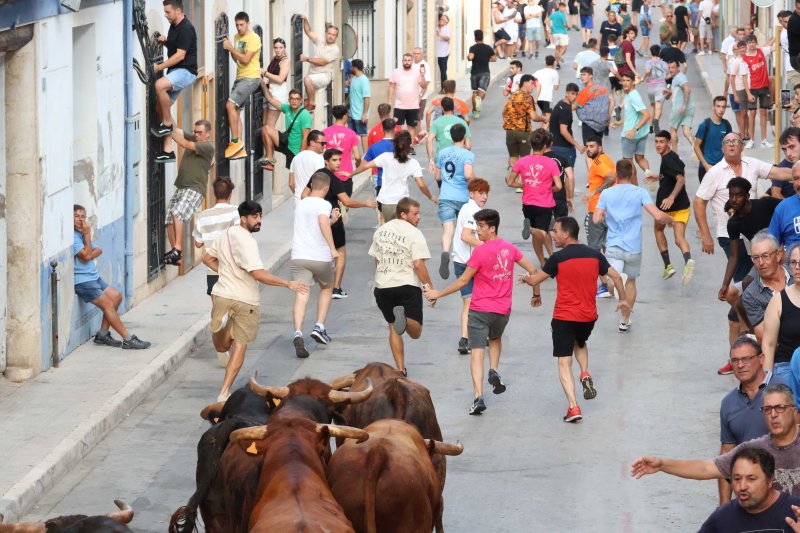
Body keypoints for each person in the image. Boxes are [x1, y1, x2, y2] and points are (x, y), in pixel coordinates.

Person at [425, 208, 538, 415]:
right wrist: (535, 293)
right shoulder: (510, 248)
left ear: (492, 228)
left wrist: (437, 294)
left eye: (481, 226)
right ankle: (494, 370)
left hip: (479, 309)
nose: (477, 230)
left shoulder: (480, 252)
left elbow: (463, 281)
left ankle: (478, 397)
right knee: (495, 339)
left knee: (476, 353)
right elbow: (533, 271)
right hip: (502, 310)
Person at [520, 216, 628, 422]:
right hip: (588, 316)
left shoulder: (558, 259)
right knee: (580, 342)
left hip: (564, 316)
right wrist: (622, 300)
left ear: (566, 234)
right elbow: (615, 276)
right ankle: (585, 373)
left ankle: (573, 407)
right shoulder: (595, 255)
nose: (553, 235)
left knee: (564, 361)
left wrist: (526, 280)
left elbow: (535, 279)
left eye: (556, 231)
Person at [204, 200, 309, 401]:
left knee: (221, 347)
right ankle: (224, 392)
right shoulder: (248, 242)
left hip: (222, 295)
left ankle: (222, 328)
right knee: (240, 346)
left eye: (260, 216)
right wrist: (288, 283)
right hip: (246, 300)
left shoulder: (225, 235)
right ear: (243, 219)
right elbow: (259, 274)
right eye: (254, 217)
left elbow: (207, 259)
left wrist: (226, 273)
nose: (259, 220)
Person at [631, 383, 800, 499]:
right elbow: (707, 468)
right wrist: (661, 464)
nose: (773, 414)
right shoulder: (755, 449)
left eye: (780, 408)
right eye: (767, 409)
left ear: (794, 411)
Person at [594, 159, 674, 331]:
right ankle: (625, 319)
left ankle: (613, 283)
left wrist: (606, 214)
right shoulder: (640, 192)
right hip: (633, 247)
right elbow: (658, 216)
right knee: (631, 281)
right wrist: (670, 220)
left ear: (616, 174)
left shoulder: (607, 194)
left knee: (611, 278)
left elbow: (596, 218)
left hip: (614, 245)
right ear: (631, 174)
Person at [368, 198, 435, 376]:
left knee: (392, 327)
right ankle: (404, 320)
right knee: (416, 332)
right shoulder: (414, 233)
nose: (419, 217)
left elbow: (376, 258)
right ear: (403, 214)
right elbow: (418, 264)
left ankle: (399, 369)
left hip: (382, 286)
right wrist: (430, 288)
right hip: (406, 285)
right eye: (415, 214)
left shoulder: (381, 231)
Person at [73, 205, 151, 350]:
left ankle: (102, 335)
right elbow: (85, 257)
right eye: (76, 216)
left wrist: (89, 251)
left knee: (116, 296)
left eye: (83, 216)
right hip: (83, 281)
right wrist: (87, 236)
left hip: (93, 277)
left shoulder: (81, 234)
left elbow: (97, 250)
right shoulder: (74, 236)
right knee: (108, 304)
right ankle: (128, 339)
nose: (80, 220)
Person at [303, 149, 378, 300]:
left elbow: (304, 195)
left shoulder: (318, 175)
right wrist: (366, 203)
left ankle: (314, 282)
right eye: (334, 160)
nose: (338, 163)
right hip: (333, 219)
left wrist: (317, 204)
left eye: (339, 160)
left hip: (316, 219)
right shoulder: (334, 180)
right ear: (326, 161)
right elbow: (347, 201)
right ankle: (336, 288)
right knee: (340, 252)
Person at [290, 172, 341, 359]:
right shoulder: (324, 204)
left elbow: (316, 223)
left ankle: (297, 332)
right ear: (326, 188)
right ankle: (319, 326)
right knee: (327, 288)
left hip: (298, 256)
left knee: (302, 294)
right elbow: (321, 222)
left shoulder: (301, 203)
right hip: (319, 256)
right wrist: (332, 248)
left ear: (312, 185)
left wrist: (332, 220)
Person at [717, 336, 772, 505]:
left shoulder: (783, 390)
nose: (740, 365)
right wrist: (724, 508)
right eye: (735, 360)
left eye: (746, 359)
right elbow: (726, 455)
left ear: (761, 358)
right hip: (748, 498)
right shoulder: (728, 403)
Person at [701, 447, 800, 531]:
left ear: (769, 480)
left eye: (751, 479)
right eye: (737, 479)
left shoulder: (795, 511)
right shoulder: (722, 516)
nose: (742, 486)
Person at [159, 119, 213, 266]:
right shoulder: (194, 138)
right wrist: (167, 118)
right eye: (195, 132)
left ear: (208, 134)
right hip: (182, 187)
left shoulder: (207, 146)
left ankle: (177, 248)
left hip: (194, 189)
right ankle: (177, 256)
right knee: (169, 220)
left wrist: (167, 131)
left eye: (200, 133)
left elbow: (184, 144)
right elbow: (178, 130)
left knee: (177, 213)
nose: (196, 135)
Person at [351, 130, 435, 223]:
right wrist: (430, 197)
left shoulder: (385, 157)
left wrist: (350, 174)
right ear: (409, 145)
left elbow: (365, 166)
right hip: (402, 203)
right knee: (401, 232)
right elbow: (421, 185)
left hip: (386, 202)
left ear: (394, 143)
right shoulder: (413, 163)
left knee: (388, 231)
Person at [507, 129, 563, 266]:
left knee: (539, 236)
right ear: (545, 146)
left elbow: (510, 182)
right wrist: (551, 188)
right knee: (542, 233)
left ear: (532, 145)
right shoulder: (550, 163)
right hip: (544, 203)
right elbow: (559, 186)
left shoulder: (522, 161)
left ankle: (546, 260)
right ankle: (531, 230)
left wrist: (524, 185)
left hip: (528, 204)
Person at [151, 0, 198, 164]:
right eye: (164, 12)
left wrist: (159, 67)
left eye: (168, 12)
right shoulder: (174, 26)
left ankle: (166, 124)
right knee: (159, 108)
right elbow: (174, 46)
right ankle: (168, 150)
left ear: (178, 11)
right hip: (176, 72)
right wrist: (166, 42)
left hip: (186, 71)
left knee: (159, 85)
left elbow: (179, 56)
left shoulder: (186, 28)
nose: (165, 15)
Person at [719, 178, 780, 303]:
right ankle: (757, 320)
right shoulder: (733, 223)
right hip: (764, 257)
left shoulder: (764, 204)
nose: (734, 199)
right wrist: (725, 284)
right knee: (747, 283)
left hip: (781, 250)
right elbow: (733, 256)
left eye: (739, 195)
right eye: (731, 195)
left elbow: (788, 206)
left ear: (747, 196)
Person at [450, 179, 491, 355]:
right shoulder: (472, 211)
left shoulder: (471, 209)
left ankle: (470, 337)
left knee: (473, 300)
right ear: (471, 194)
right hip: (468, 263)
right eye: (480, 193)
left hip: (463, 261)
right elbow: (466, 236)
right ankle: (467, 338)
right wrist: (485, 247)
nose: (485, 196)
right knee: (473, 301)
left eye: (486, 193)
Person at [648, 130, 695, 283]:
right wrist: (659, 177)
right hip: (683, 207)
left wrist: (671, 197)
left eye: (661, 142)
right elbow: (677, 172)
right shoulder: (673, 157)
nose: (658, 145)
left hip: (667, 207)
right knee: (679, 238)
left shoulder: (668, 160)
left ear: (668, 143)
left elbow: (681, 179)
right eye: (656, 141)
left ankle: (668, 265)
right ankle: (688, 261)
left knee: (658, 229)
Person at [435, 124, 475, 279]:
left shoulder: (443, 153)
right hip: (462, 197)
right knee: (464, 230)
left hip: (446, 196)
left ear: (451, 137)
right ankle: (465, 260)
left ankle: (445, 251)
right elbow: (467, 174)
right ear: (464, 137)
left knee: (448, 230)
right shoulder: (467, 154)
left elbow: (438, 177)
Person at [222, 12, 261, 160]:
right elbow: (235, 57)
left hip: (250, 78)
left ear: (247, 23)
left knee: (230, 105)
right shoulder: (237, 37)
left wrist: (231, 48)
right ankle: (240, 149)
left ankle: (235, 142)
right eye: (237, 25)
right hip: (240, 77)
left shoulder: (254, 38)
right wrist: (231, 48)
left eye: (241, 25)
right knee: (236, 111)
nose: (239, 28)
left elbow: (245, 59)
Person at [193, 177, 240, 300]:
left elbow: (197, 244)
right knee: (234, 309)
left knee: (217, 312)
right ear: (230, 194)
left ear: (214, 194)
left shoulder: (203, 216)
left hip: (213, 269)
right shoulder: (236, 212)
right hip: (232, 269)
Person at [582, 140, 616, 300]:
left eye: (592, 146)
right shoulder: (607, 158)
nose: (588, 149)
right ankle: (614, 280)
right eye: (587, 146)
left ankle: (604, 286)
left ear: (600, 148)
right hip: (610, 210)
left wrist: (593, 191)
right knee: (607, 246)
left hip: (596, 210)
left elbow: (609, 178)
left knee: (594, 249)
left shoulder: (597, 162)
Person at [741, 232, 791, 341]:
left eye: (765, 256)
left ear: (778, 255)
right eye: (756, 258)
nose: (761, 262)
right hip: (782, 350)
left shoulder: (795, 273)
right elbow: (764, 336)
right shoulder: (751, 295)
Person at [762, 244, 800, 374]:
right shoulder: (779, 300)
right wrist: (766, 381)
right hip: (787, 366)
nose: (797, 267)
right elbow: (769, 344)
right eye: (793, 262)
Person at [259, 89, 312, 171]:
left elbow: (306, 137)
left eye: (297, 99)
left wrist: (301, 156)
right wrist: (262, 84)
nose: (294, 101)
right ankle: (270, 159)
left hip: (295, 151)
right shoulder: (287, 108)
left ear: (301, 101)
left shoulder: (305, 114)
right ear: (289, 100)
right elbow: (270, 99)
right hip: (286, 143)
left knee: (294, 179)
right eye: (292, 98)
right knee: (266, 128)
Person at [502, 74, 546, 170]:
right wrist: (543, 118)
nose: (533, 86)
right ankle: (520, 182)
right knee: (524, 158)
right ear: (525, 83)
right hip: (523, 132)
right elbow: (534, 117)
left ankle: (512, 177)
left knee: (513, 156)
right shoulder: (527, 97)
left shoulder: (513, 95)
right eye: (531, 83)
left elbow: (503, 112)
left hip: (509, 132)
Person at [616, 71, 652, 184]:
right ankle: (647, 172)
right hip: (642, 133)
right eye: (624, 80)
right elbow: (633, 115)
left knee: (628, 165)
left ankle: (635, 191)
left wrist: (634, 129)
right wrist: (620, 122)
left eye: (628, 81)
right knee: (640, 158)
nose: (625, 83)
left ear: (633, 83)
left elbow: (646, 115)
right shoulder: (629, 95)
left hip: (630, 136)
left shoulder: (633, 96)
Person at [298, 15, 340, 111]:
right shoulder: (320, 41)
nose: (331, 36)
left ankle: (312, 103)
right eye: (329, 33)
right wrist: (305, 20)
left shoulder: (335, 49)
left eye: (333, 35)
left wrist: (307, 59)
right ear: (326, 33)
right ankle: (309, 110)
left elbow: (322, 62)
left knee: (307, 80)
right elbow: (308, 32)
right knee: (304, 103)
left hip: (324, 76)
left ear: (336, 37)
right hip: (313, 73)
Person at [741, 34, 774, 148]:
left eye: (753, 42)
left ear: (756, 42)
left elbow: (772, 47)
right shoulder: (744, 58)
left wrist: (777, 34)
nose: (752, 44)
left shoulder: (762, 51)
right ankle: (751, 140)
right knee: (752, 113)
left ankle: (764, 140)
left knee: (764, 113)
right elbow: (744, 77)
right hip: (752, 88)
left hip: (764, 87)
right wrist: (748, 93)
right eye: (749, 42)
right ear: (747, 44)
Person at [388, 53, 428, 144]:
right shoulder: (396, 72)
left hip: (413, 106)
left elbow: (424, 86)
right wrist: (389, 101)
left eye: (409, 60)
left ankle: (410, 147)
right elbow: (391, 87)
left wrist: (422, 75)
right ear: (402, 61)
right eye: (405, 60)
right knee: (398, 127)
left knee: (411, 127)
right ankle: (399, 146)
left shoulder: (417, 72)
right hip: (399, 106)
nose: (407, 62)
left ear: (412, 61)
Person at [426, 97, 472, 173]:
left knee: (440, 181)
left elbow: (429, 140)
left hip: (441, 158)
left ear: (442, 108)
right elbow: (468, 146)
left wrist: (431, 159)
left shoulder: (436, 122)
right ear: (453, 108)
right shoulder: (462, 122)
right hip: (458, 158)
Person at [694, 96, 732, 182]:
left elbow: (730, 145)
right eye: (718, 106)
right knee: (706, 195)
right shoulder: (704, 125)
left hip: (721, 168)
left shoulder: (726, 125)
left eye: (723, 107)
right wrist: (706, 165)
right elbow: (696, 147)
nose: (721, 109)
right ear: (713, 107)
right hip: (706, 168)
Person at [549, 83, 584, 169]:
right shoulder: (565, 110)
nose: (575, 96)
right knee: (569, 175)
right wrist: (578, 145)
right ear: (566, 93)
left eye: (576, 94)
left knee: (556, 175)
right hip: (564, 148)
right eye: (572, 93)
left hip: (554, 146)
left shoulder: (561, 103)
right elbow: (563, 131)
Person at [663, 59, 695, 153]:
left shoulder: (680, 77)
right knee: (686, 131)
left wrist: (684, 105)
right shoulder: (676, 78)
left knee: (673, 130)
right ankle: (696, 149)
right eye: (669, 68)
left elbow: (687, 89)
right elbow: (673, 95)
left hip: (679, 109)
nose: (670, 70)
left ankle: (675, 155)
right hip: (689, 108)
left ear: (678, 68)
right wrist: (669, 92)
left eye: (673, 67)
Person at [575, 67, 611, 148]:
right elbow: (612, 100)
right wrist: (608, 117)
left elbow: (573, 107)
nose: (582, 77)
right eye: (581, 75)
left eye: (584, 75)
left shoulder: (585, 91)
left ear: (591, 76)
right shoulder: (602, 89)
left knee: (589, 149)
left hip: (589, 125)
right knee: (597, 148)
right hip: (601, 125)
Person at [324, 105, 362, 183]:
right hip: (345, 174)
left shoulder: (324, 132)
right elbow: (357, 156)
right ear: (345, 116)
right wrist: (358, 164)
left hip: (329, 174)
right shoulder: (351, 133)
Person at [769, 162, 800, 250]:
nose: (798, 184)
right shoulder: (783, 208)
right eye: (795, 179)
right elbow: (772, 246)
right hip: (793, 262)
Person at [468, 30, 497, 119]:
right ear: (482, 37)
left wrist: (468, 57)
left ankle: (475, 111)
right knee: (482, 91)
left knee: (475, 92)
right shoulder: (488, 48)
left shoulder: (472, 48)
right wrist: (487, 59)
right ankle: (479, 100)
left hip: (474, 73)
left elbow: (470, 57)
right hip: (485, 72)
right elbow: (494, 59)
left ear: (475, 38)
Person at [261, 38, 290, 129]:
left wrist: (264, 73)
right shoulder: (274, 59)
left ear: (284, 48)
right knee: (265, 124)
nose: (278, 50)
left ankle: (273, 143)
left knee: (269, 126)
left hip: (278, 93)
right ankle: (266, 143)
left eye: (281, 47)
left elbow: (280, 79)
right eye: (276, 47)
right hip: (269, 91)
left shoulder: (285, 61)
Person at [288, 129, 326, 199]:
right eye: (322, 143)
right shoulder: (319, 159)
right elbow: (321, 182)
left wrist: (298, 195)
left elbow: (291, 183)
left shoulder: (296, 157)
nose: (324, 146)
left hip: (298, 201)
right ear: (312, 143)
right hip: (313, 201)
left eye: (325, 143)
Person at [729, 40, 751, 145]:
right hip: (740, 89)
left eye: (744, 47)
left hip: (747, 89)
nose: (743, 49)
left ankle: (746, 133)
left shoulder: (746, 59)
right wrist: (735, 94)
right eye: (741, 47)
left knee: (746, 113)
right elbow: (732, 78)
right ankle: (742, 135)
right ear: (737, 49)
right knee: (742, 113)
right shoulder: (737, 61)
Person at [347, 59, 371, 152]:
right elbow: (351, 94)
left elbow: (367, 98)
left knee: (363, 134)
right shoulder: (354, 79)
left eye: (351, 66)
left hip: (360, 114)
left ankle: (365, 153)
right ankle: (354, 154)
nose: (350, 68)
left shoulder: (364, 80)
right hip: (352, 113)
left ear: (355, 68)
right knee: (352, 135)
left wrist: (364, 113)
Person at [643, 45, 668, 133]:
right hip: (660, 86)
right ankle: (656, 120)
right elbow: (667, 75)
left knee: (652, 105)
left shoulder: (648, 62)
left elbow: (647, 71)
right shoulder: (664, 63)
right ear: (659, 52)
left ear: (651, 52)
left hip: (650, 87)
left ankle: (650, 126)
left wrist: (644, 78)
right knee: (659, 106)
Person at [412, 47, 434, 135]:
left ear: (421, 54)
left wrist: (420, 96)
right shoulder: (411, 64)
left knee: (417, 117)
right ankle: (417, 133)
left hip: (421, 97)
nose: (416, 55)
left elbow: (427, 82)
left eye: (418, 53)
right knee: (412, 117)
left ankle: (416, 137)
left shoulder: (425, 65)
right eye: (415, 53)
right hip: (410, 96)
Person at [547, 2, 569, 68]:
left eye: (564, 7)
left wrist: (551, 27)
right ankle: (560, 56)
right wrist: (567, 26)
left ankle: (558, 64)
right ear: (559, 7)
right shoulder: (562, 15)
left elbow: (547, 20)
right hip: (562, 33)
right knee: (564, 48)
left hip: (555, 33)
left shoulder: (554, 14)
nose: (564, 9)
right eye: (563, 7)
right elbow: (565, 25)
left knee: (557, 48)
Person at [436, 14, 451, 85]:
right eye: (441, 19)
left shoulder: (447, 28)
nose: (442, 21)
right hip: (435, 53)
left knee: (443, 71)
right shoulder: (435, 27)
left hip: (443, 54)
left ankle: (444, 87)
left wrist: (439, 34)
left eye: (444, 20)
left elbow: (447, 38)